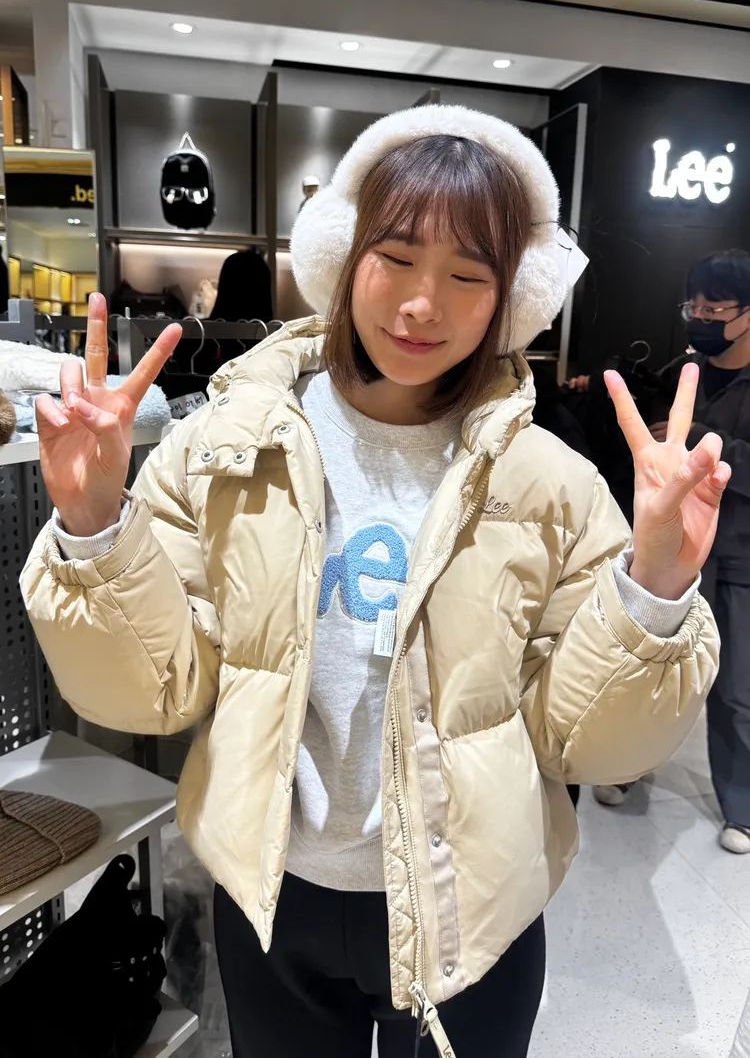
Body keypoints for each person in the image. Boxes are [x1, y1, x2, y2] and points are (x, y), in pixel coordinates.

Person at [22, 107, 727, 1058]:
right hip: (275, 899)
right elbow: (152, 689)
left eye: (468, 275)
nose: (423, 304)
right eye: (395, 257)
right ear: (343, 253)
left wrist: (657, 582)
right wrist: (95, 524)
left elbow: (586, 740)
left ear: (512, 296)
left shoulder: (549, 482)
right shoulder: (224, 447)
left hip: (472, 909)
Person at [592, 251, 750, 855]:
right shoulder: (679, 372)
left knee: (736, 691)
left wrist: (708, 449)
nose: (701, 319)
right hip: (662, 555)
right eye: (694, 308)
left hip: (737, 557)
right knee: (648, 669)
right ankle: (626, 767)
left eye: (715, 310)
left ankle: (741, 805)